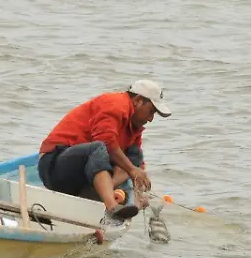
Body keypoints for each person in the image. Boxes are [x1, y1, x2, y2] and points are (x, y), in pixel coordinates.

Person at [37, 79, 172, 224]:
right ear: (138, 101)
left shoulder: (134, 126)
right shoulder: (116, 103)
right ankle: (112, 206)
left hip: (83, 175)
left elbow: (136, 166)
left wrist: (140, 191)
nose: (151, 119)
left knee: (135, 155)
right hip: (54, 166)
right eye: (151, 112)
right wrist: (132, 170)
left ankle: (105, 189)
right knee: (99, 147)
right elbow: (106, 141)